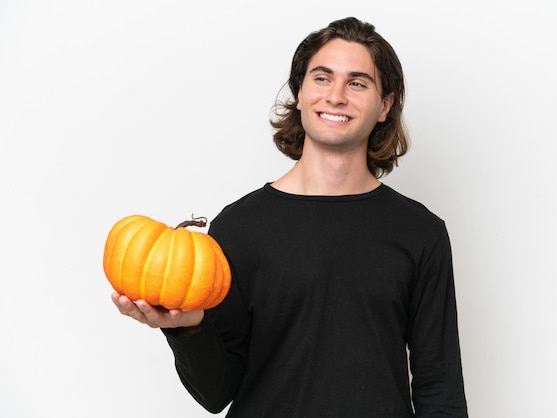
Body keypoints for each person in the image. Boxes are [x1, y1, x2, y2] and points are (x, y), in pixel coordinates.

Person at [112, 16, 468, 417]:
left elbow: (440, 389)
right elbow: (217, 393)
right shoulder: (239, 227)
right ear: (299, 93)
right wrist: (187, 327)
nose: (336, 96)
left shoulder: (421, 232)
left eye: (357, 82)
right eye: (321, 78)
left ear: (384, 105)